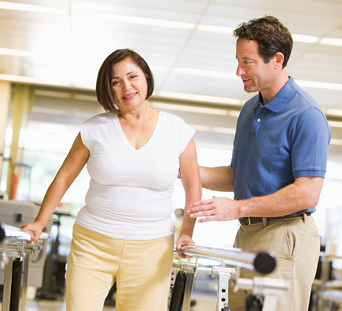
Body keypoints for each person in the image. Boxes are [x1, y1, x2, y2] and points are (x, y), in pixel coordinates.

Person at [22, 48, 201, 311]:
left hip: (153, 247)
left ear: (146, 78)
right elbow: (62, 179)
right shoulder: (93, 129)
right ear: (108, 90)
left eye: (132, 76)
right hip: (93, 242)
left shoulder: (177, 131)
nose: (126, 86)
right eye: (115, 82)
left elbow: (193, 185)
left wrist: (187, 231)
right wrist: (40, 222)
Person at [181, 16, 331, 311]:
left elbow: (307, 193)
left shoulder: (306, 115)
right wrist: (184, 170)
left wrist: (236, 207)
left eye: (247, 62)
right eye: (238, 61)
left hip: (286, 234)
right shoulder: (251, 109)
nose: (239, 71)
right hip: (247, 233)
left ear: (276, 60)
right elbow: (238, 176)